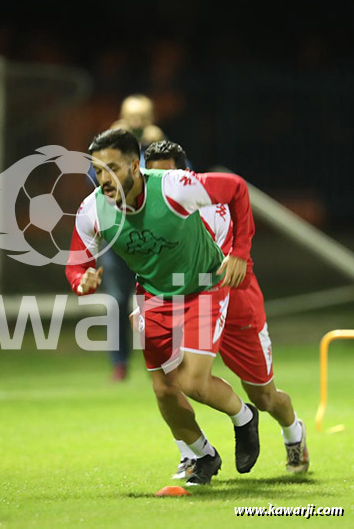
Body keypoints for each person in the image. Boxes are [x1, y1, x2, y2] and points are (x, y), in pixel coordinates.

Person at [66, 128, 260, 485]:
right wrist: (81, 280)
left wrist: (240, 253)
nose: (103, 179)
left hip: (203, 285)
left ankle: (244, 417)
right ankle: (203, 455)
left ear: (135, 167)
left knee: (193, 382)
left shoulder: (174, 186)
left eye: (112, 168)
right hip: (155, 295)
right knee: (164, 391)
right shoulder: (92, 209)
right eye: (97, 170)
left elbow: (236, 189)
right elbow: (75, 263)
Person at [142, 140, 309, 477]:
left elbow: (204, 269)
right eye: (153, 177)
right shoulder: (145, 207)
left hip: (230, 300)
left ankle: (293, 432)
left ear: (186, 174)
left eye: (169, 176)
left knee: (264, 395)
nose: (162, 186)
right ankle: (194, 453)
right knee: (170, 383)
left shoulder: (208, 208)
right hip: (188, 300)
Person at [97, 95, 166, 381]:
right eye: (131, 117)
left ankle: (165, 360)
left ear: (152, 119)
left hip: (155, 242)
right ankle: (119, 363)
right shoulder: (108, 149)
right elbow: (98, 179)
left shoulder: (161, 148)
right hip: (118, 243)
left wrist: (155, 146)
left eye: (142, 117)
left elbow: (183, 177)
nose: (137, 123)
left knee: (162, 300)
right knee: (116, 301)